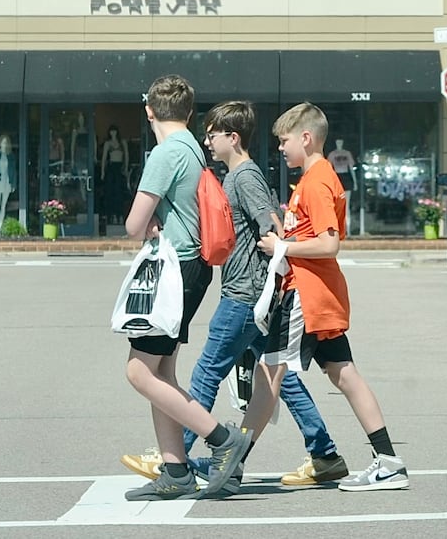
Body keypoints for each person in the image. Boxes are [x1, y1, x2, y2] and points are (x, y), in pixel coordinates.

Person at [119, 101, 349, 491]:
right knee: (278, 376)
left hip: (246, 294)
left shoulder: (245, 178)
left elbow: (273, 226)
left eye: (212, 134)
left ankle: (181, 457)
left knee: (208, 370)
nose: (207, 140)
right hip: (249, 292)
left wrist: (269, 282)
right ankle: (324, 453)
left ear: (233, 137)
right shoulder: (233, 176)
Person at [248, 102, 409, 491]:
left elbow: (329, 243)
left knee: (269, 374)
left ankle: (228, 458)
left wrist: (282, 248)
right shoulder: (316, 178)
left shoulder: (317, 180)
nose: (281, 149)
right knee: (344, 374)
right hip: (320, 296)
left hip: (307, 295)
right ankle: (388, 461)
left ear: (306, 138)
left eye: (284, 141)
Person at [119, 75, 250, 501]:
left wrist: (148, 224)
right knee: (162, 371)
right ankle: (174, 469)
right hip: (193, 268)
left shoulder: (165, 152)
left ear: (149, 110)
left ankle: (222, 439)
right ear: (190, 113)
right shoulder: (193, 147)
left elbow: (133, 224)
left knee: (138, 371)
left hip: (175, 270)